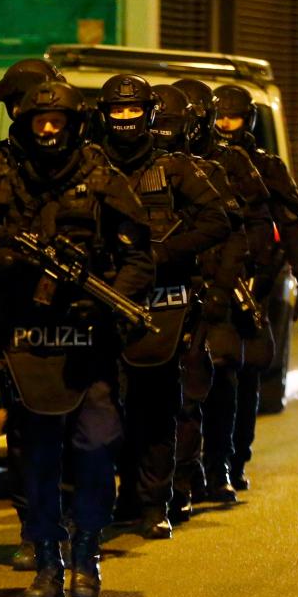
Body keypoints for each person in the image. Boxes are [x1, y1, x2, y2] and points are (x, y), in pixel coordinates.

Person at [0, 79, 154, 597]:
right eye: (39, 121)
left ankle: (87, 551)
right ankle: (48, 560)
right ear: (23, 123)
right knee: (37, 457)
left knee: (97, 443)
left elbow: (140, 257)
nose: (48, 129)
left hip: (87, 339)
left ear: (74, 124)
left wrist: (107, 300)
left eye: (57, 121)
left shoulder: (103, 178)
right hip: (22, 338)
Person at [97, 77, 229, 539]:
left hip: (162, 306)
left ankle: (154, 502)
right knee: (105, 410)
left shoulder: (173, 169)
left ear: (149, 114)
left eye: (134, 110)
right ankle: (120, 498)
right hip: (105, 301)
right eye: (118, 111)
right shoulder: (90, 166)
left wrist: (165, 254)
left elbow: (218, 220)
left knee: (157, 408)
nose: (125, 119)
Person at [212, 84, 298, 491]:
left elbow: (291, 228)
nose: (225, 124)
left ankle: (234, 460)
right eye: (219, 116)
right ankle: (209, 465)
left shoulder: (266, 168)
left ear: (248, 120)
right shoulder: (199, 163)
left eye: (233, 117)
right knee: (213, 377)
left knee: (246, 376)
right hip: (210, 286)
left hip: (254, 289)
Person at [174, 77, 273, 502]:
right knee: (177, 389)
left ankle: (221, 466)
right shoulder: (158, 162)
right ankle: (179, 479)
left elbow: (257, 224)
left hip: (223, 287)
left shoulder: (231, 164)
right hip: (173, 288)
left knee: (227, 378)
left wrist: (249, 277)